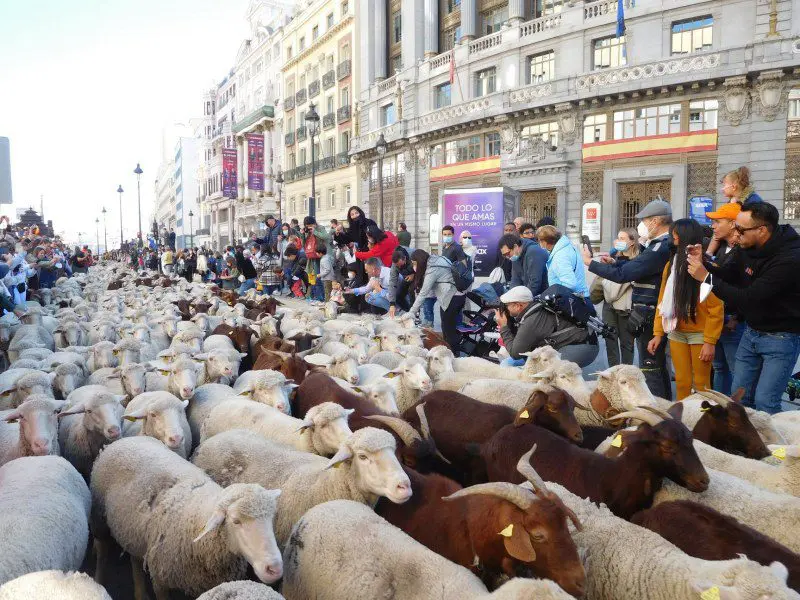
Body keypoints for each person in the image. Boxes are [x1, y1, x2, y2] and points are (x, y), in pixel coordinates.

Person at [687, 201, 800, 414]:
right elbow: (729, 273)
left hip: (781, 337)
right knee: (739, 398)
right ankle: (743, 445)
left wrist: (706, 278)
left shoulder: (789, 258)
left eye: (740, 229)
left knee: (766, 401)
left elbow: (748, 297)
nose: (736, 234)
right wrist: (702, 262)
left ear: (762, 230)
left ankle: (772, 447)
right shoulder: (747, 245)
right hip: (752, 332)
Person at [581, 198, 673, 400]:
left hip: (650, 314)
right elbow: (633, 267)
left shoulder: (661, 247)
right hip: (649, 313)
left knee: (651, 368)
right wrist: (615, 262)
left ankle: (657, 411)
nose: (643, 225)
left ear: (656, 221)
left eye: (646, 220)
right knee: (654, 365)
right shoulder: (658, 245)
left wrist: (590, 263)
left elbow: (627, 273)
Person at [648, 219, 723, 401]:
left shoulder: (707, 267)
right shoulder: (671, 265)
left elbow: (716, 305)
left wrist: (710, 341)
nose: (672, 235)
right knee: (681, 382)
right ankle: (682, 421)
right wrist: (658, 333)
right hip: (676, 331)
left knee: (702, 384)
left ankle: (703, 422)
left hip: (700, 333)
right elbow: (662, 301)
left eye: (676, 232)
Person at [701, 203, 745, 395]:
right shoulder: (721, 248)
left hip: (732, 322)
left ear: (733, 223)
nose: (713, 226)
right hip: (716, 318)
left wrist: (737, 317)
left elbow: (746, 287)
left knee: (738, 371)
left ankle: (737, 413)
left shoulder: (743, 251)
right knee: (719, 367)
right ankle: (722, 411)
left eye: (718, 221)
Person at [496, 285, 599, 367]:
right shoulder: (535, 307)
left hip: (582, 347)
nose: (505, 309)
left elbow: (515, 354)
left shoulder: (532, 320)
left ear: (518, 306)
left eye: (507, 305)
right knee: (507, 364)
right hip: (580, 342)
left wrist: (504, 326)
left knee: (545, 373)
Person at [594, 228, 639, 367]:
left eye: (623, 238)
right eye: (618, 238)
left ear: (632, 242)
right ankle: (613, 373)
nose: (619, 241)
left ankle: (626, 373)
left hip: (626, 307)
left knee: (627, 343)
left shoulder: (639, 259)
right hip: (609, 304)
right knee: (610, 340)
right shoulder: (613, 256)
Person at [404, 249, 464, 351]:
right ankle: (455, 351)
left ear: (420, 261)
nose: (414, 267)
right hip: (459, 296)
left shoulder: (432, 269)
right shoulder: (439, 259)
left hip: (450, 298)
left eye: (414, 263)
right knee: (452, 328)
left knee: (448, 331)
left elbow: (423, 293)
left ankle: (452, 356)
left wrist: (411, 312)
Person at [536, 225, 589, 298]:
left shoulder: (560, 256)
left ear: (544, 242)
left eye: (539, 241)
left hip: (572, 300)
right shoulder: (567, 246)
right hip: (580, 295)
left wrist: (552, 295)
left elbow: (570, 284)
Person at [498, 234, 548, 298]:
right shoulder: (516, 255)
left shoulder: (533, 251)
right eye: (504, 255)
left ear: (515, 246)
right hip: (530, 293)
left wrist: (522, 299)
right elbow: (515, 280)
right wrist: (511, 297)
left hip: (543, 294)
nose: (507, 257)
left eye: (507, 253)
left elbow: (535, 282)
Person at [301, 216, 329, 302]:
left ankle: (320, 298)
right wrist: (302, 234)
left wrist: (315, 231)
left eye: (310, 225)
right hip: (311, 257)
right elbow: (303, 244)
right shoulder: (307, 231)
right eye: (307, 225)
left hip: (320, 255)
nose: (309, 227)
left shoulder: (320, 228)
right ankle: (315, 297)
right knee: (312, 278)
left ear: (314, 223)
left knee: (318, 278)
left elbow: (326, 237)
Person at [388, 247, 414, 317]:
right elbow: (392, 282)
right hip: (406, 278)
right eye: (397, 266)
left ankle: (415, 316)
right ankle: (408, 312)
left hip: (417, 277)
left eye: (400, 265)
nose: (399, 267)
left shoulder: (413, 257)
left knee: (412, 293)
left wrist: (414, 275)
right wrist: (392, 304)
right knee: (398, 296)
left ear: (404, 258)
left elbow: (422, 269)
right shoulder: (395, 265)